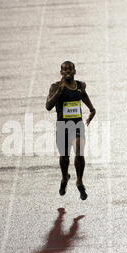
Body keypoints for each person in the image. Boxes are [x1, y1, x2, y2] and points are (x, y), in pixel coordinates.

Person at [46, 61, 96, 200]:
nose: (67, 71)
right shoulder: (55, 86)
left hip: (77, 125)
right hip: (63, 126)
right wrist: (59, 91)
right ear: (61, 72)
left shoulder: (80, 85)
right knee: (64, 156)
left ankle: (79, 180)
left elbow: (83, 96)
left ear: (74, 71)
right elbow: (48, 106)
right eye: (64, 69)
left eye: (70, 69)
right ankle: (64, 178)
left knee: (79, 150)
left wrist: (92, 109)